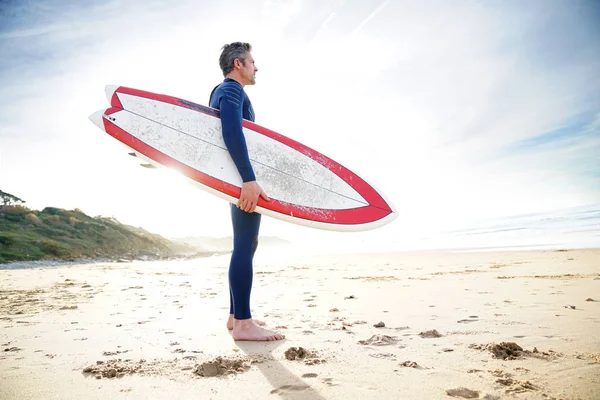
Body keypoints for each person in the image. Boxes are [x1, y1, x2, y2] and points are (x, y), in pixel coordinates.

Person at [209, 42, 285, 341]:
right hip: (241, 179)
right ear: (238, 63)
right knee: (244, 244)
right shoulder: (230, 89)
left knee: (244, 244)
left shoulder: (224, 91)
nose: (257, 67)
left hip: (235, 178)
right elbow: (231, 131)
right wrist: (249, 179)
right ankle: (243, 323)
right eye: (253, 61)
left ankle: (234, 315)